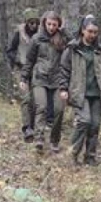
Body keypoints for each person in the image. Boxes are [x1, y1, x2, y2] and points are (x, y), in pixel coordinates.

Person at [57, 15, 101, 165]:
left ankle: (90, 156)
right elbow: (64, 70)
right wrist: (63, 88)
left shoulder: (100, 50)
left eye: (95, 32)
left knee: (95, 125)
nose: (93, 35)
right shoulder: (72, 48)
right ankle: (72, 154)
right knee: (84, 121)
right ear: (82, 30)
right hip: (79, 92)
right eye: (90, 31)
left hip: (97, 93)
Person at [21, 11, 68, 152]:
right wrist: (24, 77)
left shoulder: (62, 39)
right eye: (49, 24)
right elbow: (29, 60)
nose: (51, 27)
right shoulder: (36, 39)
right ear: (44, 23)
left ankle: (54, 140)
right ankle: (39, 139)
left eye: (54, 24)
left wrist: (64, 31)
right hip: (40, 78)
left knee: (59, 110)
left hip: (58, 79)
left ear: (58, 25)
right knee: (41, 107)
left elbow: (73, 44)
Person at [5, 9, 41, 137]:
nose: (33, 25)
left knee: (36, 99)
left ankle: (36, 125)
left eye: (36, 22)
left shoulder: (41, 33)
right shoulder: (18, 33)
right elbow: (10, 50)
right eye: (31, 22)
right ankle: (27, 127)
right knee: (26, 98)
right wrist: (17, 58)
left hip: (36, 69)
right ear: (26, 22)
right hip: (21, 69)